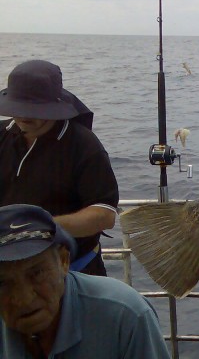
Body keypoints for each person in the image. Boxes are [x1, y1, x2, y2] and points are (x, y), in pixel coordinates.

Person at [0, 204, 171, 358]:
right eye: (2, 283)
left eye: (37, 273)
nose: (24, 299)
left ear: (63, 261)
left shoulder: (126, 315)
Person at [0, 60, 119, 276]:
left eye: (35, 111)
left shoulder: (84, 145)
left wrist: (41, 227)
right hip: (8, 272)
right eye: (19, 109)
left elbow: (104, 215)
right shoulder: (2, 135)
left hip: (72, 269)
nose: (24, 117)